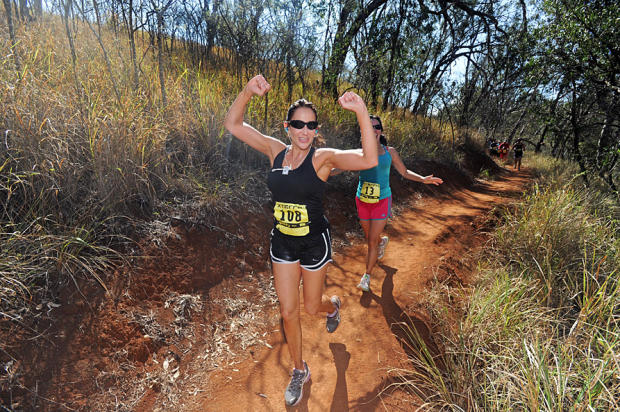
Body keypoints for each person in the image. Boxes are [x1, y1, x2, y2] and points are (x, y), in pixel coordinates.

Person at [223, 74, 378, 407]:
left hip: (313, 243)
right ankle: (299, 370)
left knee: (311, 306)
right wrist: (247, 91)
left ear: (316, 130)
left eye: (311, 125)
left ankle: (332, 307)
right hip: (282, 242)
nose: (305, 131)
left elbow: (369, 159)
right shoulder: (275, 151)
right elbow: (233, 124)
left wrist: (362, 112)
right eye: (298, 124)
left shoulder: (322, 159)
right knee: (288, 310)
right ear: (288, 127)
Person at [336, 115, 444, 292]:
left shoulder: (389, 152)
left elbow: (405, 172)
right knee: (370, 237)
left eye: (377, 127)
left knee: (371, 241)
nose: (373, 130)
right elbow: (340, 168)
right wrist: (321, 170)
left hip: (382, 201)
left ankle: (366, 277)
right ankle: (382, 242)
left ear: (381, 130)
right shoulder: (359, 152)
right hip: (362, 200)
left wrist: (423, 179)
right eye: (369, 127)